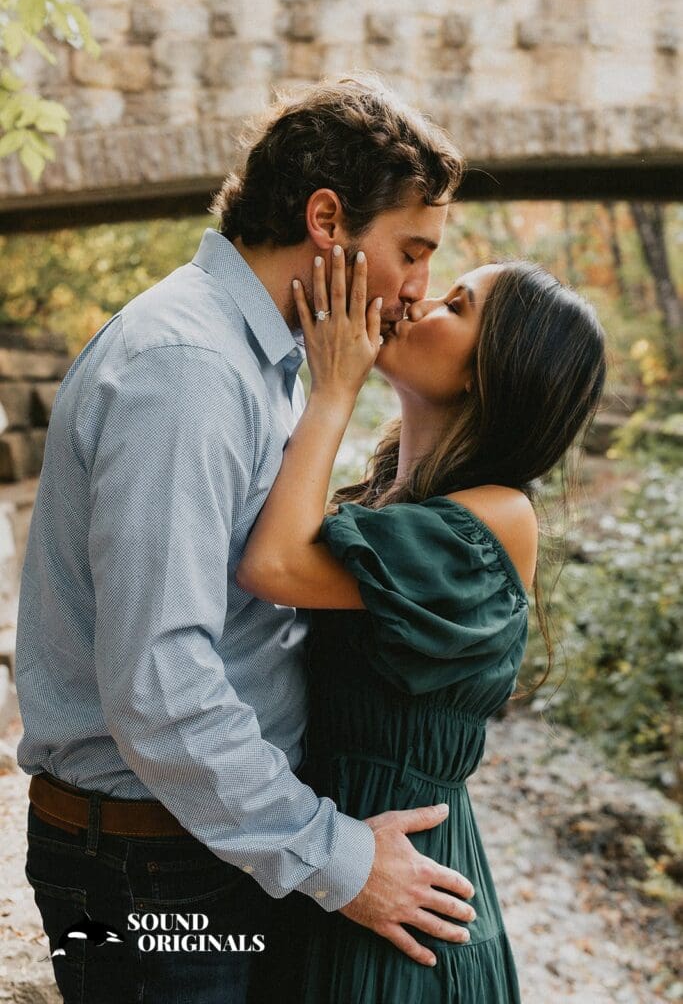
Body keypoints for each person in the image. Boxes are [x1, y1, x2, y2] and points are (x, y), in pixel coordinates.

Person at [14, 74, 482, 1004]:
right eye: (411, 250)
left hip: (200, 839)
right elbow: (159, 679)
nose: (417, 289)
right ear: (324, 218)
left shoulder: (257, 357)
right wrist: (338, 859)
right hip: (151, 865)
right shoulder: (188, 368)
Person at [237, 245, 607, 1002]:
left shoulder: (496, 516)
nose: (419, 303)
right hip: (336, 862)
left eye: (457, 305)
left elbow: (272, 567)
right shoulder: (382, 499)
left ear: (489, 371)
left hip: (407, 897)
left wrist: (334, 384)